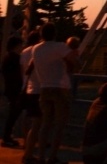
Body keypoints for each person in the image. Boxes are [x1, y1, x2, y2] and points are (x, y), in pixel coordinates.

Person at [31, 22, 80, 164]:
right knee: (59, 125)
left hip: (44, 88)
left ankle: (40, 156)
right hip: (60, 89)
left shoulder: (36, 49)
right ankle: (52, 157)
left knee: (45, 124)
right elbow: (75, 63)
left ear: (41, 34)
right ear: (55, 33)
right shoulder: (60, 47)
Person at [20, 31, 42, 164]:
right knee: (38, 120)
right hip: (37, 87)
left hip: (26, 86)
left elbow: (22, 69)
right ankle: (31, 147)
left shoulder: (24, 52)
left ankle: (25, 141)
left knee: (27, 116)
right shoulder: (38, 51)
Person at [1, 36, 24, 147]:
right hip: (15, 89)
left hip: (10, 88)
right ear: (16, 46)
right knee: (14, 114)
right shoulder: (16, 58)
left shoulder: (7, 57)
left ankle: (8, 136)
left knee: (13, 113)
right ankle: (7, 137)